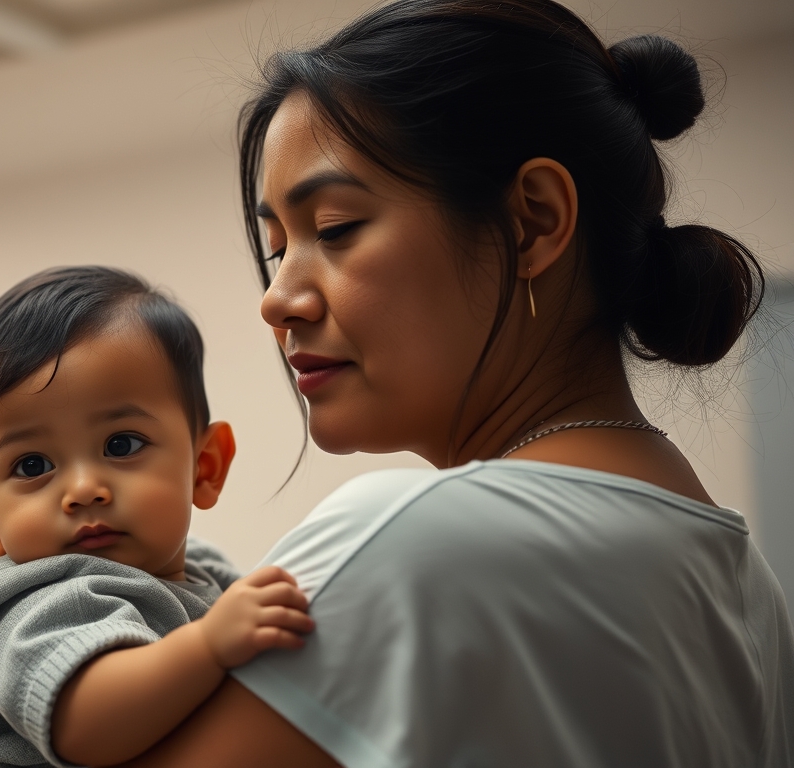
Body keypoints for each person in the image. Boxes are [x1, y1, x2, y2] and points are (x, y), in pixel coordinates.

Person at [113, 1, 794, 766]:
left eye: (334, 228)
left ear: (532, 221)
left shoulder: (411, 542)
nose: (276, 300)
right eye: (277, 251)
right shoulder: (745, 586)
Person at [0, 267, 315, 767]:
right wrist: (209, 646)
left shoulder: (208, 577)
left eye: (121, 444)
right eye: (32, 466)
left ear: (205, 467)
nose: (84, 490)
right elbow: (87, 726)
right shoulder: (42, 603)